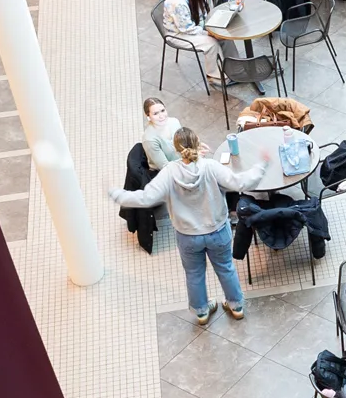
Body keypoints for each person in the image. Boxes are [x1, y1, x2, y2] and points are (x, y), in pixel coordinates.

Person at [110, 128, 266, 324]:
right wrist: (261, 164)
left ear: (175, 148)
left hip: (187, 236)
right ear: (198, 143)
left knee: (194, 274)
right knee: (226, 268)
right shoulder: (210, 166)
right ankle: (236, 307)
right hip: (218, 231)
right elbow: (240, 182)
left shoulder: (169, 172)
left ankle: (202, 312)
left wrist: (117, 195)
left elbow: (146, 198)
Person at [160, 0, 223, 85]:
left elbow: (201, 14)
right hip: (178, 34)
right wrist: (208, 33)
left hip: (192, 27)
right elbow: (186, 28)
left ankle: (234, 67)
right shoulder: (178, 3)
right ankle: (215, 76)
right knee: (212, 44)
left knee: (224, 34)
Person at [141, 98, 182, 170]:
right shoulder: (149, 139)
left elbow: (184, 142)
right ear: (148, 116)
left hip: (182, 163)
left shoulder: (174, 122)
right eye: (155, 113)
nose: (161, 116)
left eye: (163, 111)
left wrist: (196, 148)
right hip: (166, 171)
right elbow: (166, 168)